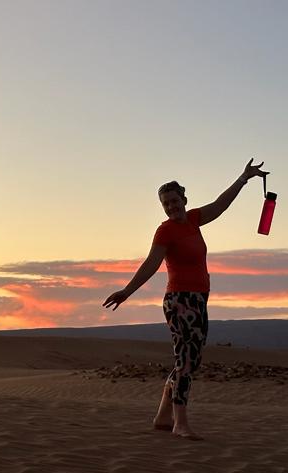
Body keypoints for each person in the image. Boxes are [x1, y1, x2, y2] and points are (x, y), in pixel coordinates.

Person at [103, 158, 269, 439]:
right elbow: (151, 264)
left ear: (183, 199)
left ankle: (162, 417)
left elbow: (220, 204)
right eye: (166, 203)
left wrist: (244, 178)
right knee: (186, 363)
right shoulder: (165, 231)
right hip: (180, 302)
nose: (171, 207)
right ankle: (180, 423)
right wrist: (127, 291)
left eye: (174, 201)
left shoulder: (193, 220)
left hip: (198, 301)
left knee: (189, 361)